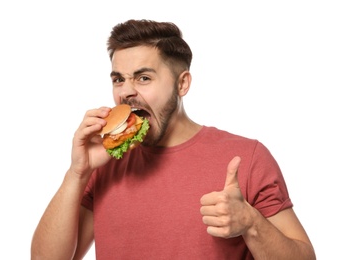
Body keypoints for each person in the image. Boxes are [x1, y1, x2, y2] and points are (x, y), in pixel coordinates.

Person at [31, 19, 316, 259]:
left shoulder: (246, 156)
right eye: (119, 79)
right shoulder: (106, 161)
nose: (126, 92)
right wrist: (77, 172)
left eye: (143, 78)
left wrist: (250, 223)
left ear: (182, 84)